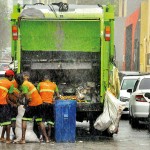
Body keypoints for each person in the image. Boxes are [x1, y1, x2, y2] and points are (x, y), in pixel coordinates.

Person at [14, 72, 49, 144]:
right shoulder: (27, 83)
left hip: (33, 104)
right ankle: (47, 139)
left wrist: (25, 105)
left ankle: (23, 139)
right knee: (40, 121)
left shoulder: (24, 85)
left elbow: (28, 98)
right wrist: (21, 95)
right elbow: (26, 93)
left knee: (24, 119)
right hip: (39, 103)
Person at [37, 74, 60, 141]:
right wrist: (53, 98)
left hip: (42, 104)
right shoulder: (54, 85)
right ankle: (49, 135)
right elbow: (58, 96)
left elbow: (37, 93)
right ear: (50, 79)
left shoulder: (40, 84)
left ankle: (42, 137)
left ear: (44, 79)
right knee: (50, 120)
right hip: (50, 104)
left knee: (41, 121)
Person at [0, 70, 15, 144]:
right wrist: (14, 102)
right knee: (8, 122)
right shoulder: (10, 84)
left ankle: (2, 137)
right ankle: (8, 139)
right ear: (10, 76)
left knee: (4, 122)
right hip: (3, 104)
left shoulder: (0, 81)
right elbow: (10, 96)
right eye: (12, 76)